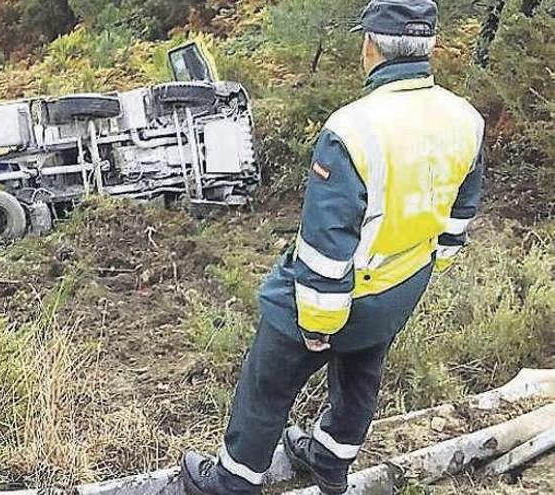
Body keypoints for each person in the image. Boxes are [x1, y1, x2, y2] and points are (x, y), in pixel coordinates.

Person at [179, 0, 485, 494]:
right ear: (431, 47)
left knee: (268, 383)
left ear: (370, 45)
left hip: (338, 295)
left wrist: (318, 324)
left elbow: (327, 243)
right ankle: (329, 460)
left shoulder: (353, 129)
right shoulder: (465, 118)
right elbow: (461, 211)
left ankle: (232, 482)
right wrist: (427, 264)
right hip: (403, 283)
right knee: (361, 374)